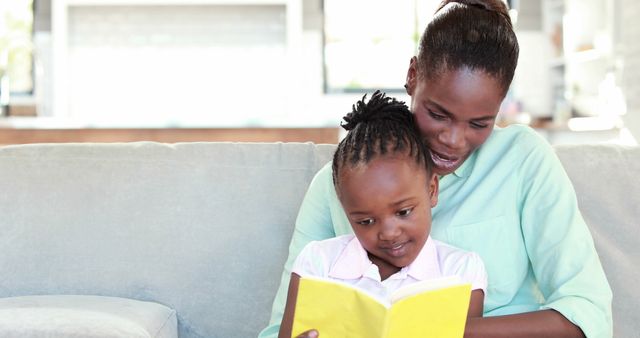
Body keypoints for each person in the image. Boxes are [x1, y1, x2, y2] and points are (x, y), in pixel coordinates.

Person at [260, 0, 612, 337]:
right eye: (438, 114)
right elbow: (281, 328)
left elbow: (587, 313)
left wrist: (439, 330)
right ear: (413, 76)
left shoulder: (525, 160)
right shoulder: (338, 184)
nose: (453, 140)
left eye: (479, 123)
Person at [278, 91, 487, 338]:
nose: (389, 233)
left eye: (403, 212)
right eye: (366, 221)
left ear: (432, 190)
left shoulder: (461, 271)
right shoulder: (318, 262)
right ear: (345, 211)